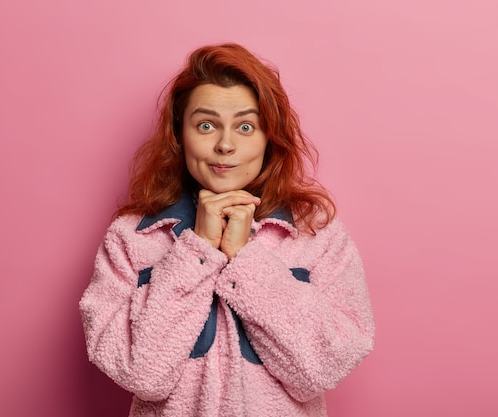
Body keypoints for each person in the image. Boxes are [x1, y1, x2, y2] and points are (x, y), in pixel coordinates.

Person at [79, 43, 375, 417]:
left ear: (270, 138)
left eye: (246, 127)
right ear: (179, 134)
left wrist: (245, 260)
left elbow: (322, 369)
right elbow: (141, 374)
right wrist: (198, 250)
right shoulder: (131, 238)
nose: (225, 145)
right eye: (206, 125)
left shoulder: (317, 235)